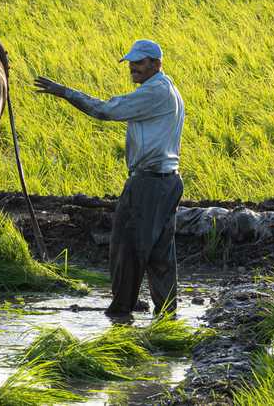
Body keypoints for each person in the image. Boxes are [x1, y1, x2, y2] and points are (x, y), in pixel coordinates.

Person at [34, 39, 185, 317]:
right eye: (131, 62)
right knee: (160, 253)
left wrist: (66, 92)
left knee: (127, 248)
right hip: (168, 180)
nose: (133, 67)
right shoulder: (169, 88)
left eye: (139, 63)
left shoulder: (154, 93)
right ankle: (166, 315)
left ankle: (120, 313)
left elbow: (106, 110)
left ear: (156, 64)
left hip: (148, 183)